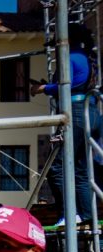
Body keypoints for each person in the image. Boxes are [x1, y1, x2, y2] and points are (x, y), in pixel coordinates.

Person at [35, 22, 100, 226]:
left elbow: (66, 84)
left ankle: (69, 214)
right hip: (89, 111)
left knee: (56, 167)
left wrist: (43, 88)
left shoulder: (70, 57)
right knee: (80, 169)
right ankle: (85, 215)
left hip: (76, 113)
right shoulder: (85, 56)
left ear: (67, 40)